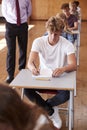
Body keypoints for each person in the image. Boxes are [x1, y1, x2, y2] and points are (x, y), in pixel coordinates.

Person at [24, 16, 77, 129]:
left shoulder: (67, 44)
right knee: (26, 89)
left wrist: (63, 69)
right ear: (47, 30)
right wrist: (33, 68)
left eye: (56, 34)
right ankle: (51, 111)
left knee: (66, 94)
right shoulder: (38, 41)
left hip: (59, 79)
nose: (53, 37)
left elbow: (73, 65)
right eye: (51, 33)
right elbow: (30, 63)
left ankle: (46, 108)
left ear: (61, 32)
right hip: (43, 77)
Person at [2, 0, 32, 83]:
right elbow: (4, 12)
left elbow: (29, 11)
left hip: (22, 25)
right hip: (10, 25)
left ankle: (21, 71)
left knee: (23, 49)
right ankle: (10, 75)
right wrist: (13, 21)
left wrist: (22, 20)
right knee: (10, 51)